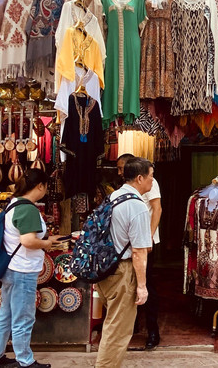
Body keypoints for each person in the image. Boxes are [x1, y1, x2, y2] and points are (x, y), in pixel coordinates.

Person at [0, 169, 63, 368]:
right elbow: (28, 241)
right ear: (40, 186)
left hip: (12, 268)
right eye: (46, 186)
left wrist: (47, 239)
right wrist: (47, 244)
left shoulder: (14, 203)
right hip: (23, 270)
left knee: (6, 315)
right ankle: (25, 361)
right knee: (23, 317)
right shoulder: (28, 209)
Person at [97, 157, 153, 367]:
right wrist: (142, 286)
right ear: (139, 178)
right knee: (117, 331)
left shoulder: (113, 197)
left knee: (112, 325)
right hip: (122, 271)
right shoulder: (137, 206)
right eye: (151, 176)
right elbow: (138, 251)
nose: (152, 180)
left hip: (106, 269)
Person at [117, 153, 162, 349]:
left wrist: (149, 236)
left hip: (144, 244)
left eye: (121, 168)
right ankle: (132, 325)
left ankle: (152, 330)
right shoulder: (124, 189)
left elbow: (157, 209)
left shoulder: (150, 183)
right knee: (129, 284)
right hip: (129, 246)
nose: (119, 172)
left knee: (146, 284)